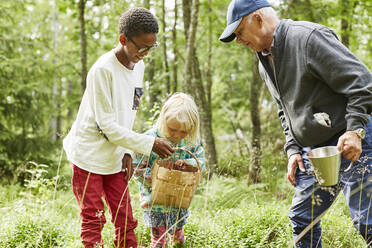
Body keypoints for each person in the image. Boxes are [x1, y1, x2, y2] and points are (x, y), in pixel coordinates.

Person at [219, 0, 372, 247]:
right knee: (303, 219)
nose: (238, 40)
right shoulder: (263, 60)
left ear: (257, 18)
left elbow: (363, 82)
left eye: (239, 32)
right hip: (314, 152)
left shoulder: (308, 39)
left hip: (352, 140)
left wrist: (355, 129)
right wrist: (293, 149)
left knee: (368, 222)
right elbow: (284, 110)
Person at [63, 8, 175, 248]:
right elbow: (107, 126)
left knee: (125, 217)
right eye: (142, 47)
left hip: (116, 157)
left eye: (151, 47)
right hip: (88, 156)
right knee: (93, 218)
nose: (145, 54)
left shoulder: (139, 67)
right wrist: (149, 144)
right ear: (123, 39)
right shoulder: (102, 70)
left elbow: (129, 112)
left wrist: (128, 152)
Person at [131, 93, 205, 248]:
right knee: (159, 242)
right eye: (172, 130)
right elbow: (137, 166)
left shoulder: (191, 142)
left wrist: (187, 163)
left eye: (183, 131)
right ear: (164, 120)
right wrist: (155, 179)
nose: (177, 135)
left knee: (179, 238)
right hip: (154, 200)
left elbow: (201, 163)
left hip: (178, 200)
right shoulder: (151, 138)